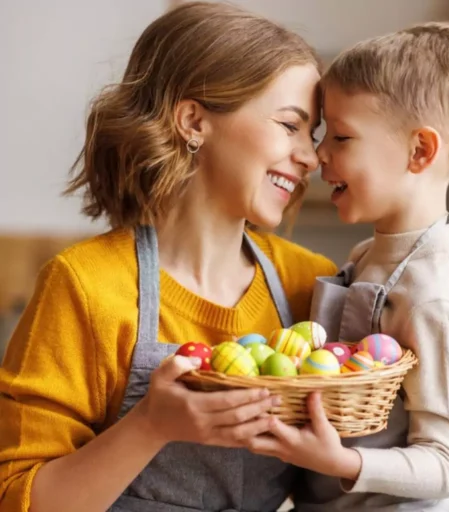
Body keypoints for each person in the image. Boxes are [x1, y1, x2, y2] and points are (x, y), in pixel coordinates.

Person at [0, 3, 336, 511]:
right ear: (193, 120)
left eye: (311, 136)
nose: (310, 157)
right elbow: (19, 500)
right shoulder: (87, 286)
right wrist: (150, 426)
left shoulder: (310, 282)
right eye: (289, 125)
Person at [246, 21, 449, 511]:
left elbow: (448, 464)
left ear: (420, 151)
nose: (318, 152)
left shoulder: (434, 294)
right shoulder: (369, 255)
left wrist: (344, 464)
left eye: (341, 137)